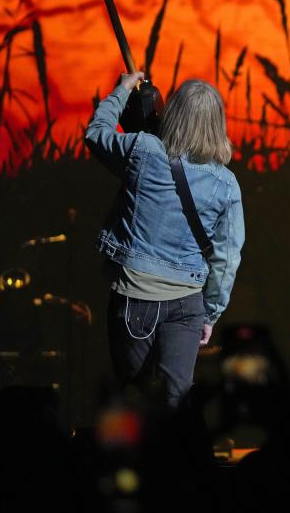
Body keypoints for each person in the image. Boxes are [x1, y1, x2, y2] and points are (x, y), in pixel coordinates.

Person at [85, 73, 245, 407]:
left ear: (173, 112)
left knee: (133, 400)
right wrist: (211, 314)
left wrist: (124, 89)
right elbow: (226, 259)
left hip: (135, 296)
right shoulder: (227, 184)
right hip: (187, 304)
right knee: (177, 402)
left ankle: (135, 460)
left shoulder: (143, 150)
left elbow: (96, 134)